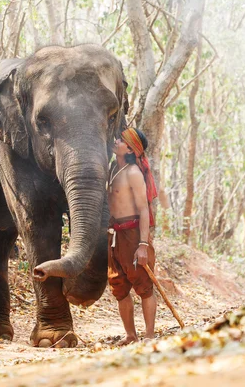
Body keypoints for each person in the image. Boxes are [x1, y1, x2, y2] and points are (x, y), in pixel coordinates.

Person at [106, 127, 158, 345]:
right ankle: (130, 335)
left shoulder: (133, 173)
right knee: (119, 286)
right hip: (114, 235)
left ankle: (148, 335)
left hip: (133, 234)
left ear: (130, 148)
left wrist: (143, 244)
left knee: (144, 286)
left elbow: (144, 209)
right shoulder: (111, 170)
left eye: (121, 140)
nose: (116, 141)